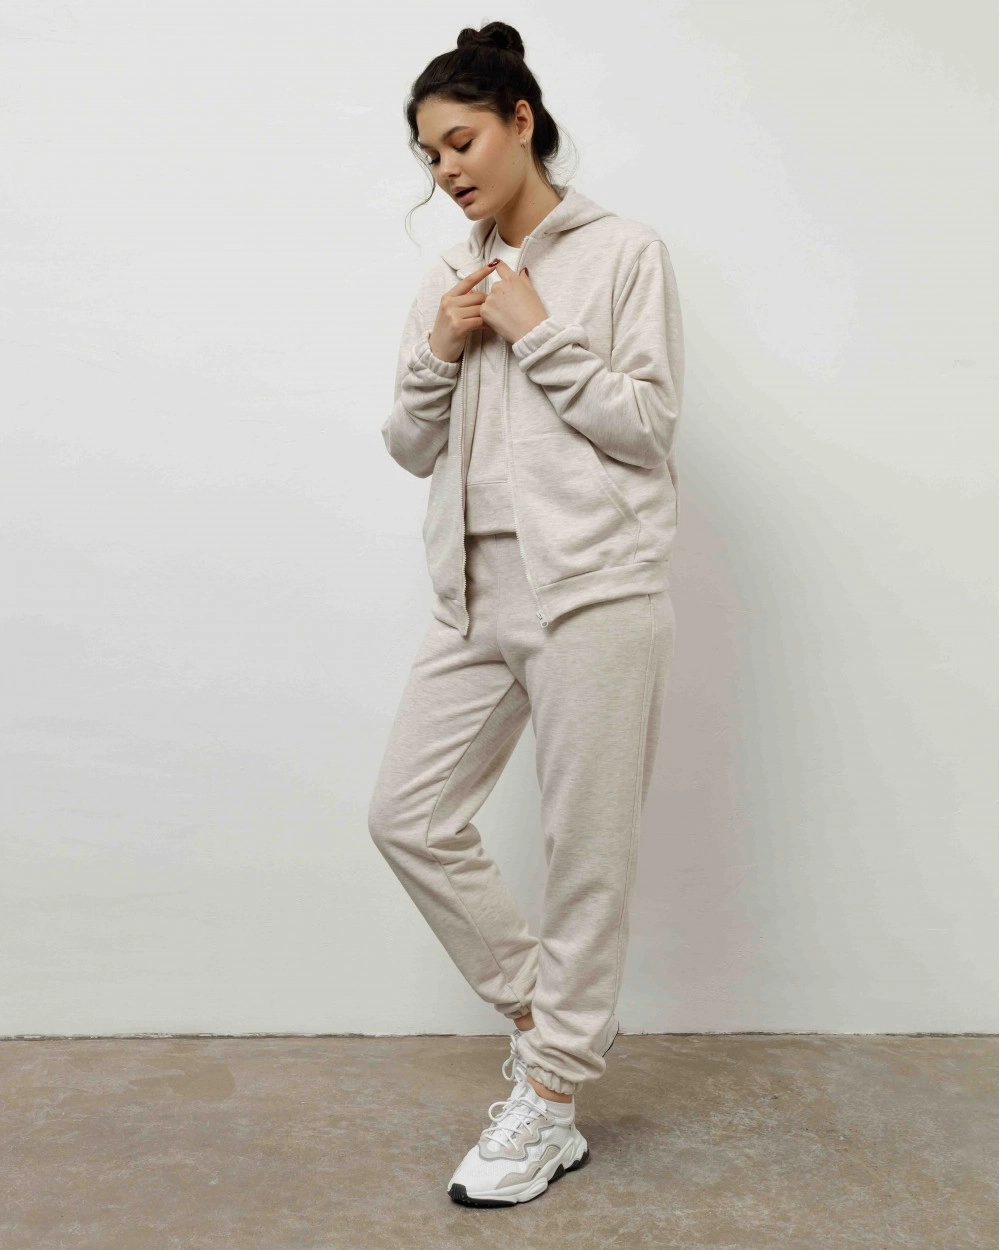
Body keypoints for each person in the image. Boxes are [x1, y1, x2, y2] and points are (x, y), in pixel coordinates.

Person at [368, 19, 685, 1207]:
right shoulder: (445, 279)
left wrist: (535, 330)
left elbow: (646, 425)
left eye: (459, 141)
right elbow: (409, 446)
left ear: (520, 120)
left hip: (594, 588)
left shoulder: (622, 253)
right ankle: (544, 1013)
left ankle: (550, 1101)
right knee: (406, 814)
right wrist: (442, 345)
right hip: (473, 593)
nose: (445, 169)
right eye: (428, 155)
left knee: (583, 852)